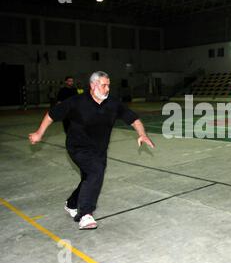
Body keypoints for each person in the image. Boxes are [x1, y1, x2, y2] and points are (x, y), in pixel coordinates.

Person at [28, 71, 155, 230]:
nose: (107, 89)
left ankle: (71, 203)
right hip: (77, 147)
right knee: (96, 172)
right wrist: (39, 133)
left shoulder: (113, 104)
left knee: (89, 178)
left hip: (99, 150)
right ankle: (85, 214)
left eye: (108, 85)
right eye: (103, 85)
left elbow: (133, 119)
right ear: (93, 85)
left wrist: (142, 134)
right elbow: (52, 114)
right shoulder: (76, 102)